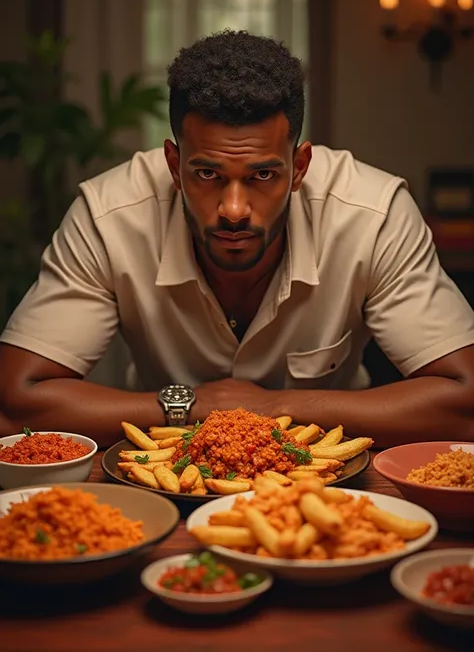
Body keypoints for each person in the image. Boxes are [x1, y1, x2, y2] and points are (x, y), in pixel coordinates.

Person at [0, 30, 473, 448]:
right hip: (163, 477)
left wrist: (274, 407)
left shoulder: (373, 215)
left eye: (263, 174)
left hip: (337, 481)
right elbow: (17, 402)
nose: (232, 209)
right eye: (206, 173)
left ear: (299, 167)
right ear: (173, 164)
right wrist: (188, 404)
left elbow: (464, 399)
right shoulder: (108, 216)